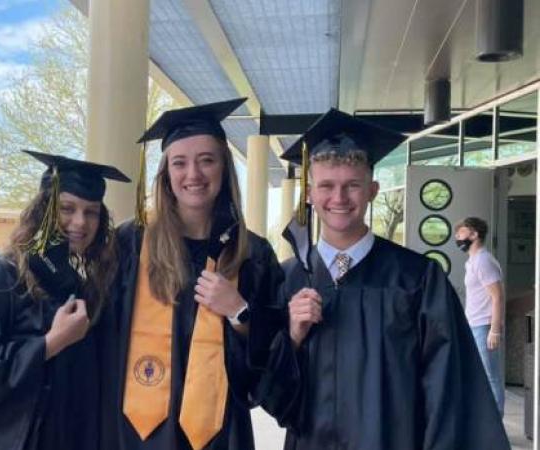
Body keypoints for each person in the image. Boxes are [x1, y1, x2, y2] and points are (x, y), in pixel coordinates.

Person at [260, 108, 509, 449]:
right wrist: (292, 339)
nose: (339, 198)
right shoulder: (288, 280)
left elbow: (449, 392)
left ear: (373, 190)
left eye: (352, 185)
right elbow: (275, 402)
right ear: (309, 193)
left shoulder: (417, 280)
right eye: (327, 186)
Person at [108, 98, 296, 450]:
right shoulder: (129, 244)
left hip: (221, 435)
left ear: (224, 169)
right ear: (166, 174)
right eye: (179, 163)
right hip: (133, 435)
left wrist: (240, 314)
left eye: (206, 160)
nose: (193, 175)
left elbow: (272, 358)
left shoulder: (252, 254)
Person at [0, 150, 131, 450]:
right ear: (43, 211)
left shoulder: (82, 289)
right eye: (67, 208)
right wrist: (49, 344)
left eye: (91, 211)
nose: (79, 222)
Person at [455, 217, 506, 416]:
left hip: (484, 326)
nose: (458, 237)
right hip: (474, 325)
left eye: (461, 232)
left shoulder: (484, 260)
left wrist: (494, 330)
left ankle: (496, 423)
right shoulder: (473, 261)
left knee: (490, 376)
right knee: (479, 375)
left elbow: (498, 296)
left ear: (475, 235)